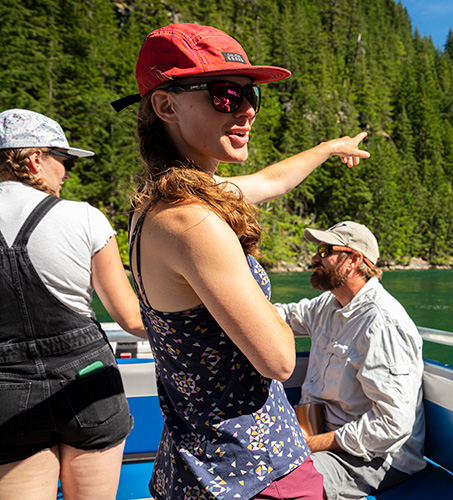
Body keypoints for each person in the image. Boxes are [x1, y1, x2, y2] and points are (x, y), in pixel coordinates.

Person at [114, 23, 371, 500]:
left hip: (195, 462)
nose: (248, 109)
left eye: (252, 94)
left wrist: (327, 149)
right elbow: (276, 359)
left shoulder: (159, 206)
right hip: (252, 470)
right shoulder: (194, 223)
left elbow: (271, 181)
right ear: (166, 105)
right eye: (225, 94)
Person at [0, 109, 145, 500]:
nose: (66, 173)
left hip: (6, 395)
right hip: (88, 382)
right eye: (62, 161)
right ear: (34, 160)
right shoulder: (83, 217)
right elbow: (132, 318)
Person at [274, 221, 425, 500]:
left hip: (376, 458)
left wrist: (314, 444)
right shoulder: (327, 306)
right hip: (325, 437)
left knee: (280, 487)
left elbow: (392, 426)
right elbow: (282, 316)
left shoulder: (382, 324)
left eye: (325, 250)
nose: (315, 258)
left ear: (354, 259)